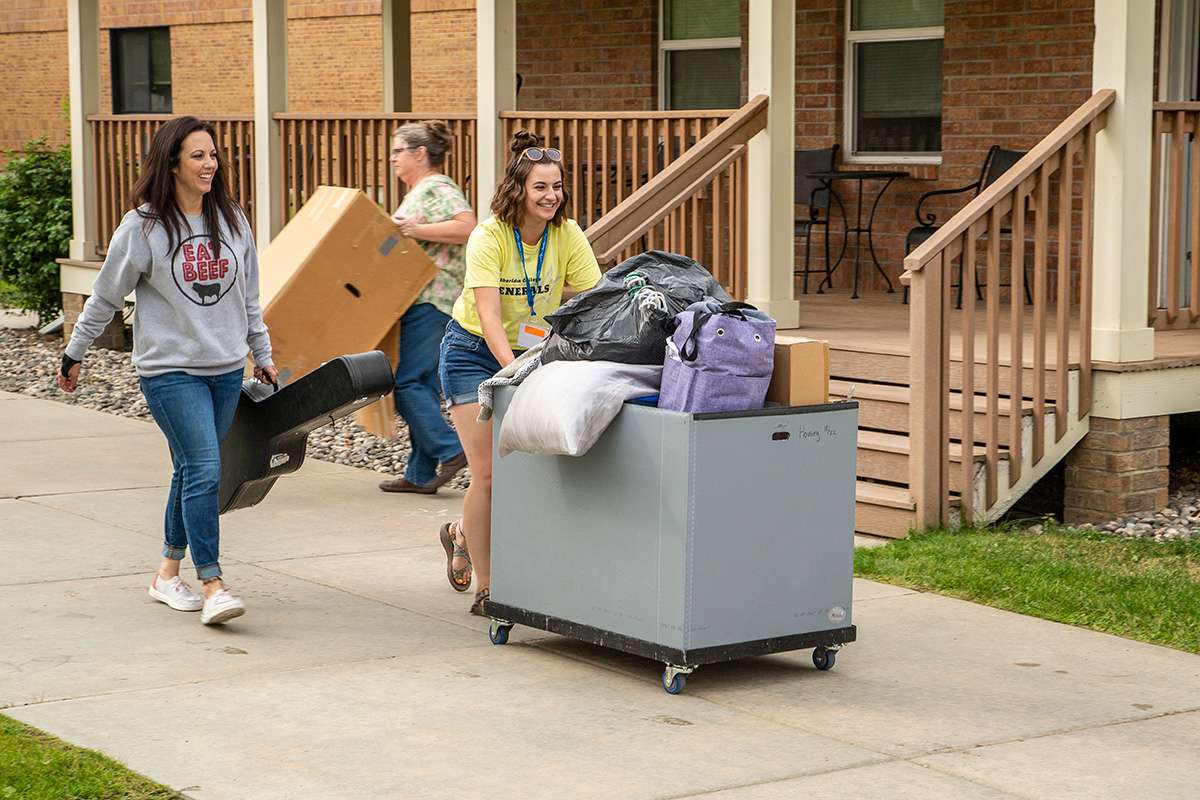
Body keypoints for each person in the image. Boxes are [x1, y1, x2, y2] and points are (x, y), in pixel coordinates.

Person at [57, 116, 276, 626]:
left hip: (224, 369)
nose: (209, 164)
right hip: (169, 371)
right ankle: (214, 582)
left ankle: (165, 573)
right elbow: (106, 296)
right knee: (204, 467)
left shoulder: (234, 221)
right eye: (197, 155)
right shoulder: (144, 227)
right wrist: (75, 352)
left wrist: (261, 355)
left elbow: (248, 300)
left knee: (190, 470)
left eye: (213, 155)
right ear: (172, 161)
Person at [439, 130, 602, 614]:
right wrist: (514, 372)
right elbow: (488, 316)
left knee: (526, 471)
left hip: (530, 351)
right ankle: (490, 585)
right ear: (518, 191)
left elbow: (594, 297)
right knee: (488, 473)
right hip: (471, 351)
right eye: (540, 188)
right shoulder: (488, 236)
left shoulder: (567, 234)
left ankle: (461, 533)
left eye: (557, 186)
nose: (551, 196)